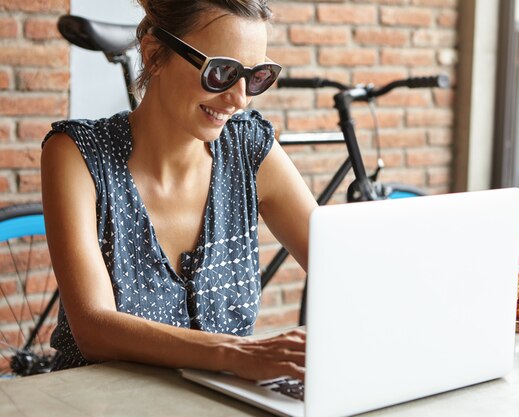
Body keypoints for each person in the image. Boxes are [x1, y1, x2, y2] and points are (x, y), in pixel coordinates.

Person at [40, 0, 316, 381]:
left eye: (256, 77)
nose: (239, 99)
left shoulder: (249, 148)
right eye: (220, 72)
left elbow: (341, 267)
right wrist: (238, 353)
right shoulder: (78, 154)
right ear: (154, 55)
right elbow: (94, 328)